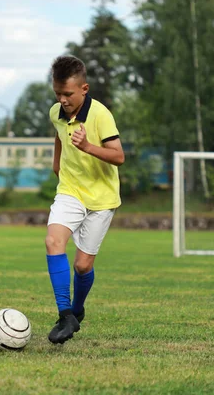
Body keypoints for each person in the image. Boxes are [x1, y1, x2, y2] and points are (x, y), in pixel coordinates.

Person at [45, 55, 125, 344]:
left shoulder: (101, 115)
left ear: (84, 89)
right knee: (53, 241)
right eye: (57, 93)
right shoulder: (56, 112)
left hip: (101, 199)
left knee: (82, 266)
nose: (62, 100)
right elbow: (58, 135)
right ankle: (65, 314)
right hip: (70, 190)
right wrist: (57, 164)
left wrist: (88, 146)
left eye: (67, 94)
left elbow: (119, 156)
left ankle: (78, 310)